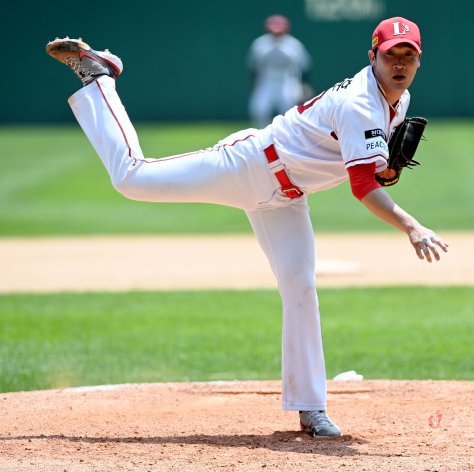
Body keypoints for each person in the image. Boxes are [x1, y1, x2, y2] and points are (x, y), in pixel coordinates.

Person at [46, 16, 448, 438]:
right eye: (390, 55)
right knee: (132, 177)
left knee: (300, 286)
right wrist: (411, 226)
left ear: (419, 61)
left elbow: (372, 171)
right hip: (250, 164)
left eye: (408, 56)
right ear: (372, 57)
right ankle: (101, 78)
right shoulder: (360, 104)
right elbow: (363, 186)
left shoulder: (398, 99)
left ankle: (311, 408)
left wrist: (388, 171)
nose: (399, 64)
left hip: (287, 197)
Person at [247, 14, 312, 128]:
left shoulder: (294, 44)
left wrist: (304, 85)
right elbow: (253, 68)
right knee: (260, 110)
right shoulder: (260, 44)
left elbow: (305, 66)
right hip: (266, 81)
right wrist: (254, 86)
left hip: (287, 81)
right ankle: (263, 136)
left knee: (289, 113)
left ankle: (288, 136)